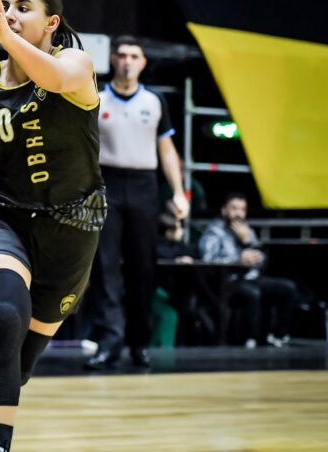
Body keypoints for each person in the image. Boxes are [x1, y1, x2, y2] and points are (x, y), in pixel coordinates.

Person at [0, 1, 105, 449]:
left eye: (23, 7)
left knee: (19, 363)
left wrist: (5, 38)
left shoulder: (75, 63)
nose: (9, 13)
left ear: (51, 22)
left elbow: (54, 79)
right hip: (3, 218)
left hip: (72, 228)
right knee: (6, 317)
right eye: (5, 5)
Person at [83, 35, 190, 370]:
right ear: (113, 60)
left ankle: (140, 342)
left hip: (144, 186)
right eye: (122, 55)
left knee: (143, 266)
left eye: (134, 55)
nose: (128, 61)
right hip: (107, 184)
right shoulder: (97, 98)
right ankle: (109, 341)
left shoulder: (155, 101)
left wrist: (177, 191)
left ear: (143, 62)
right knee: (105, 266)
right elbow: (84, 149)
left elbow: (168, 151)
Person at [199, 192, 297, 348]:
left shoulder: (247, 231)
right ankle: (248, 340)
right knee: (252, 293)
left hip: (251, 277)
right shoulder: (214, 232)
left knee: (287, 288)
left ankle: (277, 335)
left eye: (242, 209)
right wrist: (238, 260)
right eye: (234, 208)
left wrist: (248, 243)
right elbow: (208, 261)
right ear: (224, 210)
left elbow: (261, 259)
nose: (238, 214)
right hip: (227, 282)